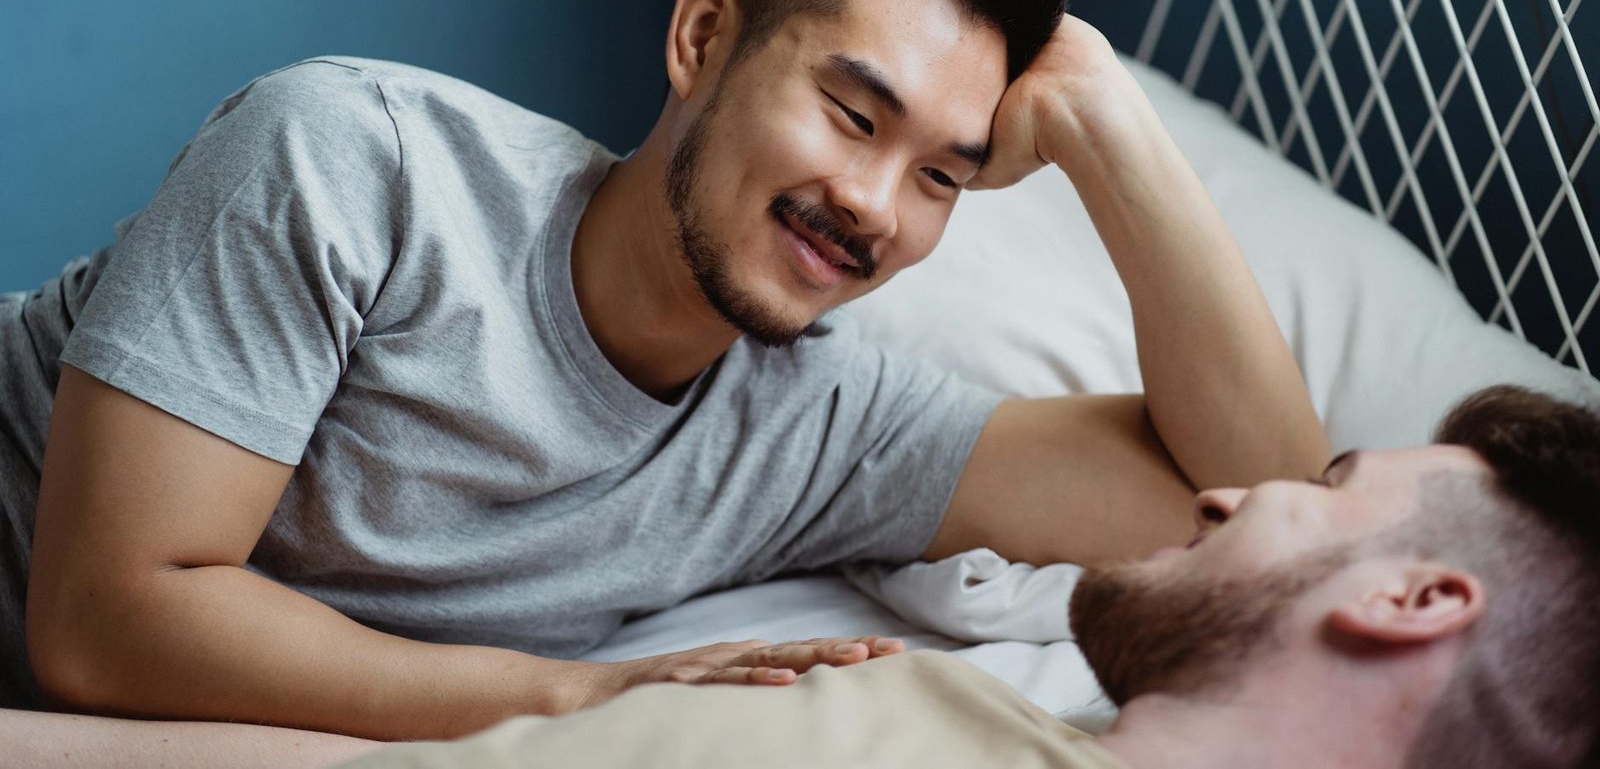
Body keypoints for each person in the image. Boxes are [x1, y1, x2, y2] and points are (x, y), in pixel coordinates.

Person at [1, 0, 1328, 749]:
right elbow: (106, 618)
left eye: (939, 174)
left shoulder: (820, 427)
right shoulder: (357, 162)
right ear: (703, 38)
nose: (873, 202)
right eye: (851, 113)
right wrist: (584, 699)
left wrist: (1113, 135)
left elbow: (1279, 512)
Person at [326, 384, 1600, 769]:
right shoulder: (897, 702)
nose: (1224, 492)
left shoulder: (889, 718)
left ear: (1412, 599)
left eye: (1324, 486)